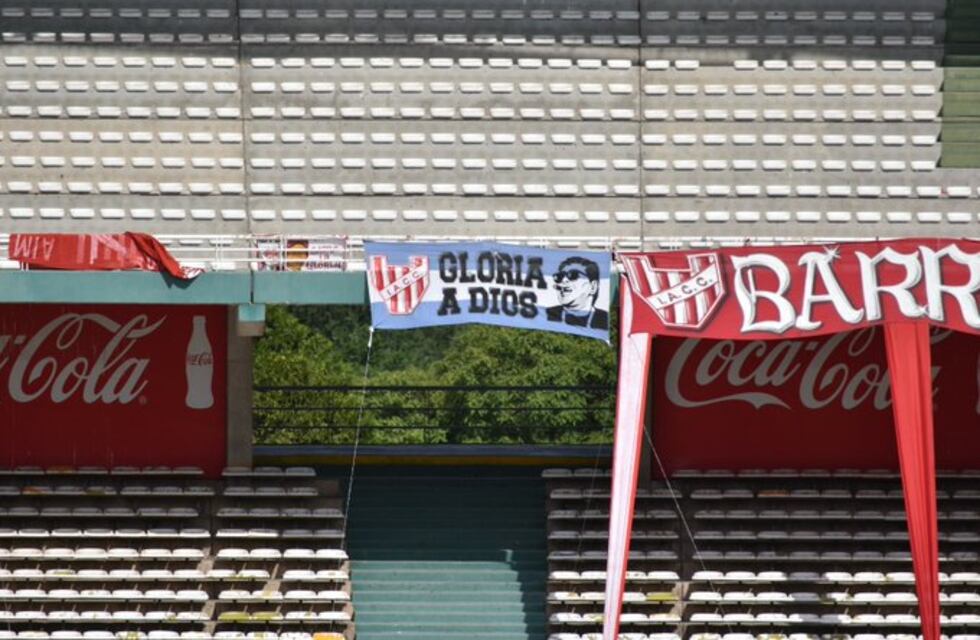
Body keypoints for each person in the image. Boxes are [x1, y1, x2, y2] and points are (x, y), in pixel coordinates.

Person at [546, 257, 608, 329]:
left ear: (593, 287)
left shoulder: (605, 321)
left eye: (573, 275)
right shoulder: (546, 314)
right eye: (559, 277)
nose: (564, 280)